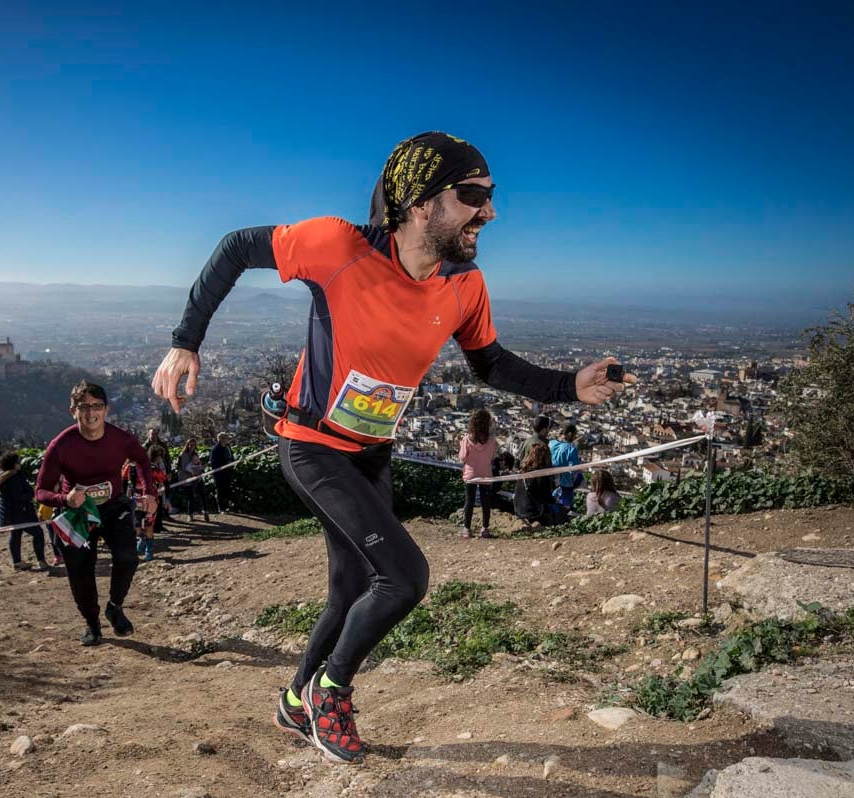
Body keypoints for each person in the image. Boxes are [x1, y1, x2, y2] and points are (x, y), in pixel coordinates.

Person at [152, 131, 632, 763]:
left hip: (370, 454)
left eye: (490, 197)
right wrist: (187, 340)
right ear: (418, 203)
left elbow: (489, 365)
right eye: (472, 196)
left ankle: (296, 700)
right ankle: (332, 693)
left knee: (351, 587)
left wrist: (569, 386)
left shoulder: (464, 285)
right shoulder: (336, 247)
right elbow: (237, 246)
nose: (490, 213)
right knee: (405, 576)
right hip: (313, 447)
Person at [35, 381, 156, 646]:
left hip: (113, 507)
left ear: (106, 409)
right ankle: (92, 623)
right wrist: (63, 498)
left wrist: (149, 493)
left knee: (127, 557)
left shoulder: (120, 438)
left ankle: (115, 606)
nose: (91, 413)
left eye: (97, 406)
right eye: (84, 407)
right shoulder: (61, 445)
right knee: (80, 572)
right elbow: (41, 491)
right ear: (73, 411)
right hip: (76, 514)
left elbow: (143, 460)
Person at [0, 451, 47, 571]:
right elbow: (18, 496)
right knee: (38, 533)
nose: (20, 463)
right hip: (22, 511)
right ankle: (41, 560)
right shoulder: (14, 477)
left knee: (16, 534)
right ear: (13, 463)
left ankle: (17, 562)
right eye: (18, 461)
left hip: (9, 512)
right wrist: (31, 494)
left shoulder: (1, 475)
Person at [458, 408, 497, 538]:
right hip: (485, 474)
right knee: (486, 502)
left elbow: (463, 457)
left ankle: (467, 529)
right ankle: (485, 528)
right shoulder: (492, 441)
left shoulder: (467, 440)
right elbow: (491, 456)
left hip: (471, 475)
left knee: (469, 501)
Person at [512, 442, 567, 528]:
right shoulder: (541, 474)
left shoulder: (523, 471)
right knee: (560, 512)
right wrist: (556, 499)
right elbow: (547, 497)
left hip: (518, 511)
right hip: (533, 513)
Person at [549, 423, 584, 512]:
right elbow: (574, 470)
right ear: (569, 434)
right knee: (564, 511)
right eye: (574, 435)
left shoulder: (551, 443)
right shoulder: (571, 448)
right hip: (565, 484)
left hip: (550, 481)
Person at [177, 438, 211, 521]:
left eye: (194, 445)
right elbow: (185, 467)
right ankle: (190, 514)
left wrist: (200, 468)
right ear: (187, 445)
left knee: (203, 494)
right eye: (191, 444)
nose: (192, 446)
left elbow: (198, 464)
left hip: (197, 477)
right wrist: (194, 472)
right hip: (187, 478)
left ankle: (205, 511)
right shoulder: (184, 454)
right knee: (190, 497)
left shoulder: (195, 454)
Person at [209, 432, 234, 512]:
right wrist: (225, 464)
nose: (228, 440)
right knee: (220, 491)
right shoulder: (215, 449)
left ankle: (227, 506)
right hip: (219, 474)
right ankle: (221, 508)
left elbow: (231, 457)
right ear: (221, 439)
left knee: (227, 490)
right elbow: (213, 462)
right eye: (226, 438)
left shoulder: (228, 447)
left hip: (228, 472)